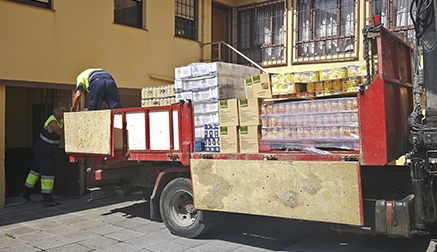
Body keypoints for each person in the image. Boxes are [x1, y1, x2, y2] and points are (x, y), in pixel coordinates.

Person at [20, 103, 67, 207]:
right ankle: (48, 199)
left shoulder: (60, 120)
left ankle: (25, 192)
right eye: (63, 111)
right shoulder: (52, 121)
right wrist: (69, 126)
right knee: (48, 174)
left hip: (43, 149)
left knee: (35, 172)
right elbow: (59, 132)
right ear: (56, 112)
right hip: (43, 151)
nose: (64, 113)